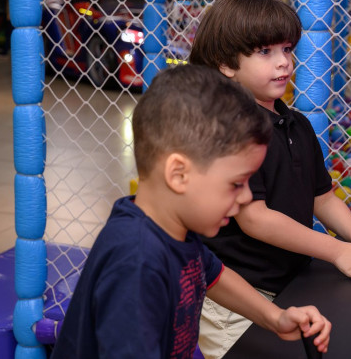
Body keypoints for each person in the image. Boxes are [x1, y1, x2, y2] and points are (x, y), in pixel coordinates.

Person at [50, 65, 331, 359]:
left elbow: (213, 274)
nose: (247, 196)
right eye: (236, 184)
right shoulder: (136, 262)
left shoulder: (174, 228)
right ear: (179, 174)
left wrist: (275, 318)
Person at [190, 0, 351, 358]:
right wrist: (337, 251)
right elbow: (255, 218)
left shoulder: (297, 124)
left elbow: (322, 197)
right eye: (265, 52)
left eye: (287, 49)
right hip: (237, 301)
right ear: (226, 64)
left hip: (291, 286)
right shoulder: (228, 127)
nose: (283, 62)